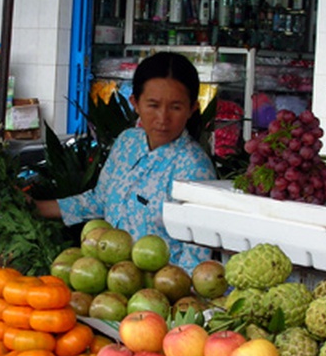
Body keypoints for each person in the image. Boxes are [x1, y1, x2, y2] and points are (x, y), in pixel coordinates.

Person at [34, 51, 216, 272]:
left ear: (192, 109)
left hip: (160, 296)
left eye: (175, 107)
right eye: (153, 105)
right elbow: (99, 200)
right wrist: (35, 208)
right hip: (109, 284)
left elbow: (196, 255)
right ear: (135, 104)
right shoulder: (127, 143)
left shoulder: (194, 167)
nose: (163, 118)